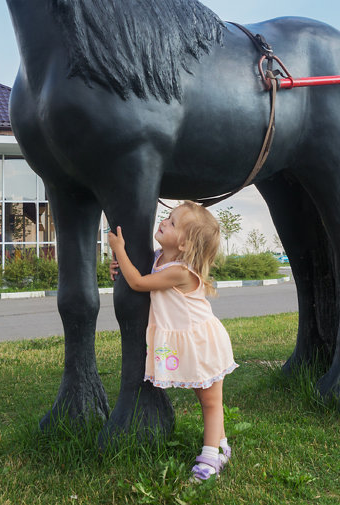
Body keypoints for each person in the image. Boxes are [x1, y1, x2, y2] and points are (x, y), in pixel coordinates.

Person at [107, 202, 238, 481]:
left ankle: (209, 459)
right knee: (205, 397)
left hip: (202, 342)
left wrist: (119, 249)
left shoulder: (181, 271)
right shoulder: (159, 258)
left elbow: (140, 283)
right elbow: (137, 275)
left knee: (211, 402)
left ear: (184, 244)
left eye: (174, 223)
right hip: (190, 342)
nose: (165, 221)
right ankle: (222, 446)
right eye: (168, 216)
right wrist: (120, 267)